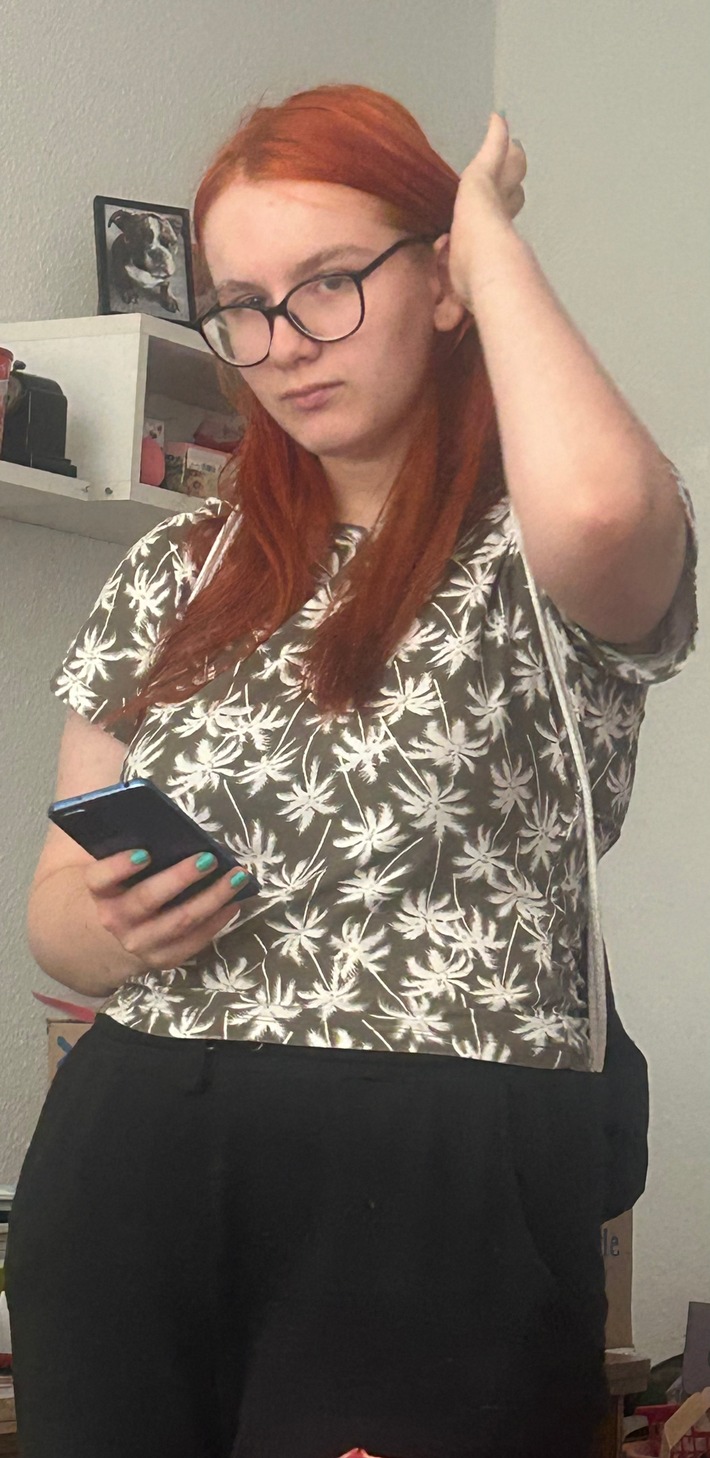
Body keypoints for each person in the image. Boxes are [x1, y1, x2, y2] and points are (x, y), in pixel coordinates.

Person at [6, 82, 698, 1458]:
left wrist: (486, 241)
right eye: (242, 304)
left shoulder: (541, 544)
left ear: (441, 281)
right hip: (138, 1134)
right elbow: (55, 909)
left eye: (330, 282)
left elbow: (601, 507)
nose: (281, 344)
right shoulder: (177, 565)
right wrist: (109, 925)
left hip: (437, 1161)